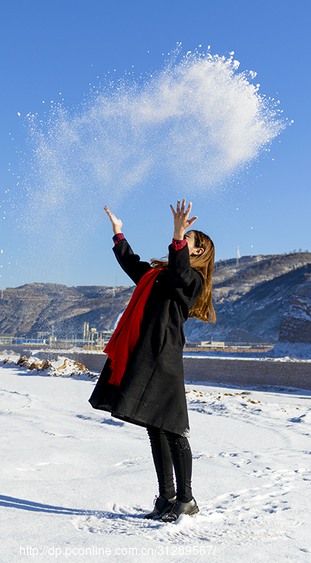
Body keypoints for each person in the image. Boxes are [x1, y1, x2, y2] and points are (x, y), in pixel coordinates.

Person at [89, 199, 216, 523]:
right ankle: (166, 498)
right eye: (183, 237)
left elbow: (180, 272)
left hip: (165, 357)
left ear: (198, 252)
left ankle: (186, 500)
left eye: (189, 239)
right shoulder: (157, 276)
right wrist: (119, 234)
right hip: (147, 355)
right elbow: (134, 266)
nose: (183, 240)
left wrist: (177, 235)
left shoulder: (191, 281)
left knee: (173, 428)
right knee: (154, 426)